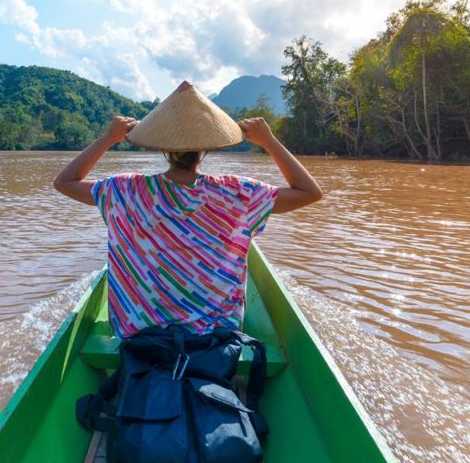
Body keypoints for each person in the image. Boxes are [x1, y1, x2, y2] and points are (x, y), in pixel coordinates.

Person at [53, 80, 322, 339]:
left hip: (140, 334)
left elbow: (65, 182)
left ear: (164, 149)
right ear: (205, 149)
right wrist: (269, 141)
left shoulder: (125, 191)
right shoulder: (238, 193)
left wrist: (108, 138)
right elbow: (309, 192)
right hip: (216, 336)